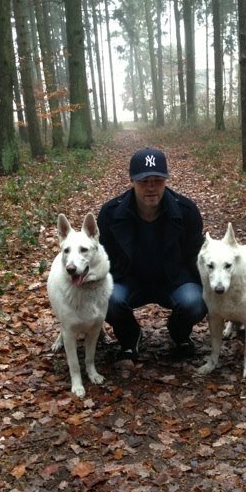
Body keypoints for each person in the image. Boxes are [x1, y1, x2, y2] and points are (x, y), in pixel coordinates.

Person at [97, 147, 207, 360]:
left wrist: (210, 289)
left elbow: (197, 256)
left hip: (174, 279)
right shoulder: (111, 214)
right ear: (131, 181)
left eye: (157, 181)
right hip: (128, 279)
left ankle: (179, 333)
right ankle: (130, 337)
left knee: (195, 300)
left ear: (166, 180)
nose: (151, 188)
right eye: (143, 181)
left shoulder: (186, 211)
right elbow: (102, 258)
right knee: (105, 297)